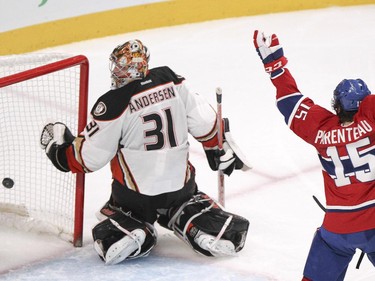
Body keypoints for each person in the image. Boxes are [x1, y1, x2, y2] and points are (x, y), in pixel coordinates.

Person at [40, 39, 250, 265]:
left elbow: (89, 158)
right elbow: (206, 122)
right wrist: (215, 146)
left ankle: (132, 229)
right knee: (187, 201)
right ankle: (194, 221)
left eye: (120, 65)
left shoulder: (114, 103)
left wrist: (60, 152)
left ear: (130, 68)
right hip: (181, 187)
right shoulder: (171, 79)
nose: (117, 71)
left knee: (119, 210)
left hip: (135, 196)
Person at [253, 30, 375, 280]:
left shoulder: (321, 130)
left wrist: (275, 66)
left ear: (337, 106)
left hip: (337, 229)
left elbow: (290, 100)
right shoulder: (372, 118)